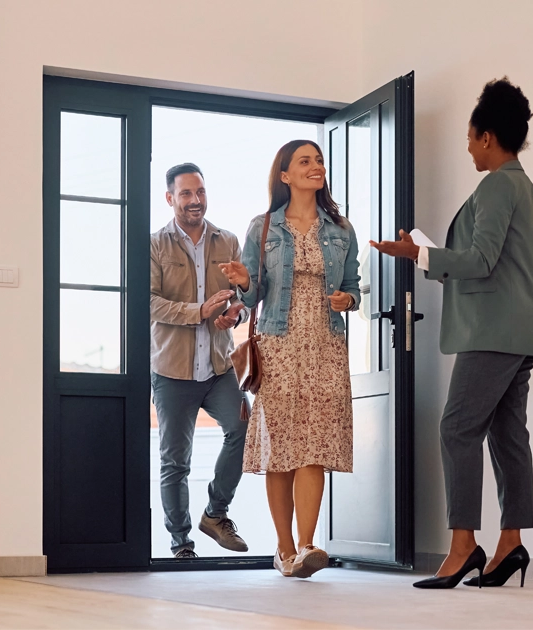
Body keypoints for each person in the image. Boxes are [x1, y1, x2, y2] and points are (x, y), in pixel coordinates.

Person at [371, 78, 533, 589]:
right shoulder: (526, 188)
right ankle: (510, 543)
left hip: (490, 331)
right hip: (521, 329)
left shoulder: (496, 185)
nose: (469, 147)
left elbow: (480, 260)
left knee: (457, 428)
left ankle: (462, 545)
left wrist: (418, 254)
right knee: (508, 435)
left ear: (488, 136)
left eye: (470, 138)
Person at [220, 140, 361, 578]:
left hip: (325, 344)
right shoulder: (263, 227)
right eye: (305, 161)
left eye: (319, 160)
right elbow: (253, 293)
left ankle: (306, 545)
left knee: (314, 446)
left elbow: (354, 284)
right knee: (280, 450)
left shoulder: (340, 229)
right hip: (279, 346)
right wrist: (245, 282)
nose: (315, 167)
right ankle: (283, 550)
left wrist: (347, 298)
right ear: (285, 175)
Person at [150, 162, 251, 559]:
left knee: (243, 429)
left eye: (201, 192)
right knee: (176, 461)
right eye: (187, 194)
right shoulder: (155, 244)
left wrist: (233, 314)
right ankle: (181, 545)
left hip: (220, 367)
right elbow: (149, 302)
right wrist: (198, 311)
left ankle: (216, 513)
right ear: (170, 198)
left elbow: (242, 297)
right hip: (172, 370)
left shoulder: (227, 241)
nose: (195, 201)